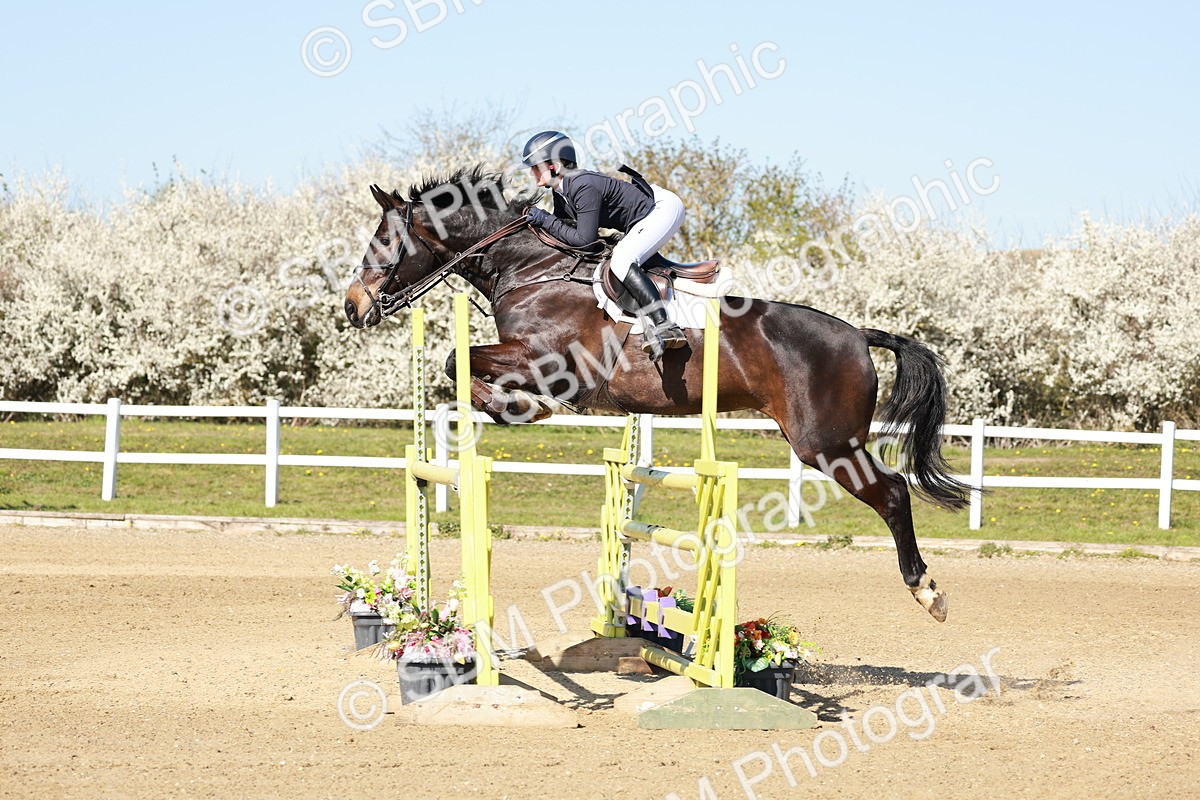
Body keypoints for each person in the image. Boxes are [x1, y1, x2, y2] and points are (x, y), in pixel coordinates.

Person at [520, 130, 688, 361]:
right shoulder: (561, 193)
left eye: (535, 166)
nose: (531, 172)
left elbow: (585, 241)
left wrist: (545, 220)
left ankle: (664, 325)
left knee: (622, 259)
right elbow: (563, 231)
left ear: (554, 165)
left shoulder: (582, 185)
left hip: (662, 209)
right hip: (642, 219)